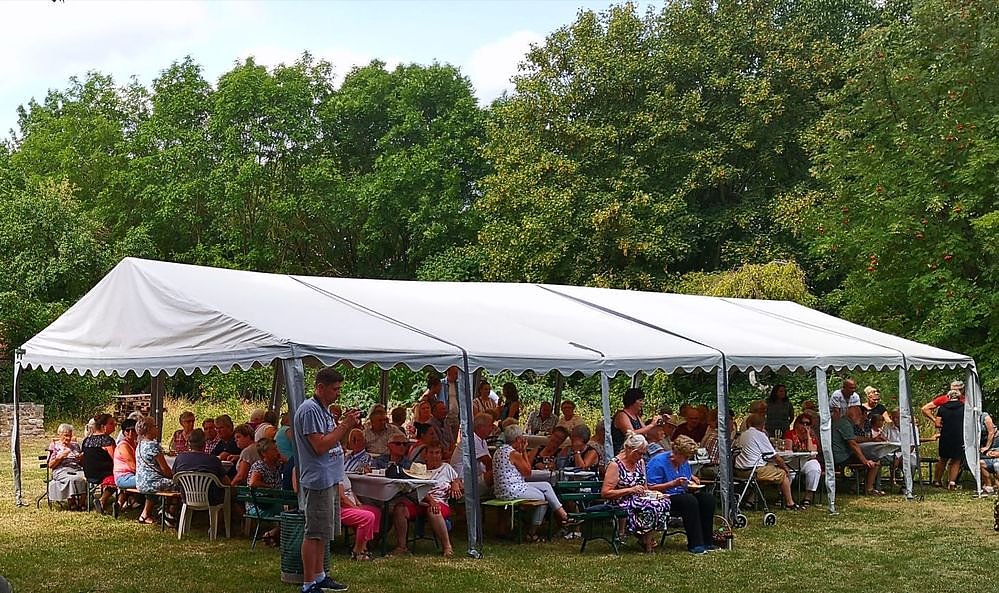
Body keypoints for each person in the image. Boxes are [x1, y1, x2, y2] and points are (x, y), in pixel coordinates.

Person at [293, 366, 359, 593]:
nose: (338, 393)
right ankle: (308, 583)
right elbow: (320, 446)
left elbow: (333, 440)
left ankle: (320, 575)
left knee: (323, 532)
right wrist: (345, 426)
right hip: (318, 480)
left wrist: (344, 426)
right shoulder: (309, 410)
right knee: (314, 532)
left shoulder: (324, 410)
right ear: (320, 387)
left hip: (330, 478)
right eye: (335, 389)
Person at [493, 425, 577, 542]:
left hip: (504, 488)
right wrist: (523, 451)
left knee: (546, 486)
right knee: (543, 498)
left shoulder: (499, 451)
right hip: (512, 490)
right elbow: (528, 472)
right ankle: (531, 533)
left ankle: (564, 516)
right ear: (518, 439)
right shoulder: (514, 454)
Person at [601, 432, 670, 553]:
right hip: (620, 500)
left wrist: (655, 495)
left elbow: (645, 486)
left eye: (643, 453)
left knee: (663, 502)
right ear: (628, 449)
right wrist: (630, 490)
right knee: (649, 506)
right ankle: (647, 542)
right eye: (639, 453)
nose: (641, 456)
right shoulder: (615, 465)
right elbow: (606, 493)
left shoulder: (640, 462)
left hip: (638, 498)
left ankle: (645, 537)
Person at [647, 435, 716, 554]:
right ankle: (696, 544)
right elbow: (650, 487)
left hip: (681, 493)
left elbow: (686, 480)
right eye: (685, 457)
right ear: (677, 453)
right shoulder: (658, 462)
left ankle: (707, 540)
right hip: (663, 497)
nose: (686, 460)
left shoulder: (684, 463)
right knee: (689, 501)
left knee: (707, 499)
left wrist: (692, 485)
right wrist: (672, 484)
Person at [391, 442, 463, 556]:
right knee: (399, 509)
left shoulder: (447, 468)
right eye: (431, 453)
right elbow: (416, 488)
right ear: (425, 455)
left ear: (441, 455)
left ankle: (447, 547)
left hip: (440, 502)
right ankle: (401, 546)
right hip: (421, 501)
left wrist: (455, 484)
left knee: (433, 510)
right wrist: (431, 501)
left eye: (437, 453)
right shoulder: (419, 469)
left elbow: (457, 480)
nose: (434, 456)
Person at [734, 413, 801, 509]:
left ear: (748, 423)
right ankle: (790, 503)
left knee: (766, 476)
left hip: (740, 471)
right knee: (783, 474)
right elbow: (775, 457)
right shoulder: (759, 435)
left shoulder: (743, 435)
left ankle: (750, 501)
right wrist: (785, 468)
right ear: (763, 425)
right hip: (754, 471)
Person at [174, 427, 230, 523]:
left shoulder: (180, 458)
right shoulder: (213, 460)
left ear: (189, 443)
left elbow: (174, 477)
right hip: (211, 499)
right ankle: (219, 525)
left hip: (186, 497)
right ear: (204, 444)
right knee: (227, 492)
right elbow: (226, 482)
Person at [829, 406, 880, 495]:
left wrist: (872, 439)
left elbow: (855, 438)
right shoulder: (845, 424)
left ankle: (854, 486)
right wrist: (865, 461)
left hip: (839, 454)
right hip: (840, 456)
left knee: (867, 459)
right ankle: (869, 488)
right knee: (875, 459)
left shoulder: (844, 422)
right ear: (852, 415)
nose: (861, 417)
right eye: (859, 414)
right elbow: (853, 444)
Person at [135, 416, 176, 525]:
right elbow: (165, 468)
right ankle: (168, 512)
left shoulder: (140, 444)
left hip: (140, 482)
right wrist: (175, 477)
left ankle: (144, 515)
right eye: (155, 426)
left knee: (161, 484)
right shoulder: (153, 445)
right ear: (149, 429)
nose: (157, 429)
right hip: (151, 483)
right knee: (178, 484)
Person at [247, 437, 284, 546]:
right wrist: (270, 487)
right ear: (264, 453)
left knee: (290, 511)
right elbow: (253, 483)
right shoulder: (259, 466)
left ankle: (272, 535)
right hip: (259, 506)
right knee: (289, 514)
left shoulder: (277, 466)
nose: (277, 451)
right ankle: (271, 534)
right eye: (274, 449)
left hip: (273, 503)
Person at [81, 413, 117, 513]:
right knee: (120, 478)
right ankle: (102, 500)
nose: (114, 426)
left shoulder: (87, 440)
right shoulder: (107, 440)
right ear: (103, 426)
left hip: (89, 473)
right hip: (105, 474)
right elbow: (116, 459)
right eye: (111, 424)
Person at [450, 413, 494, 495]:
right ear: (480, 427)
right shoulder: (472, 440)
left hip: (473, 478)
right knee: (494, 473)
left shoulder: (482, 440)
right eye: (490, 426)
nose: (492, 428)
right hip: (463, 482)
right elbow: (488, 462)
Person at [339, 475, 381, 561]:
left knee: (376, 512)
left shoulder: (342, 473)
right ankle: (357, 552)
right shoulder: (334, 475)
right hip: (341, 508)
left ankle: (365, 545)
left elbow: (350, 491)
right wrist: (356, 508)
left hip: (351, 504)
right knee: (367, 517)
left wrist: (358, 503)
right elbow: (342, 499)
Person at [46, 423, 87, 510]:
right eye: (66, 435)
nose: (68, 438)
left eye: (70, 436)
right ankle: (72, 502)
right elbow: (50, 465)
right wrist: (60, 457)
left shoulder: (75, 445)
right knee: (71, 479)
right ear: (59, 435)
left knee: (87, 477)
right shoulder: (54, 446)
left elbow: (81, 463)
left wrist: (80, 458)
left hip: (76, 469)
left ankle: (82, 502)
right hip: (61, 470)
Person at [611, 387, 662, 454]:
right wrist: (651, 425)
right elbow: (631, 434)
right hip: (624, 452)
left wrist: (657, 422)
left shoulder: (636, 416)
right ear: (632, 401)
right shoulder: (622, 415)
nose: (642, 403)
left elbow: (646, 432)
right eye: (640, 400)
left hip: (637, 451)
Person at [785, 414, 822, 506]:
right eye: (802, 423)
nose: (805, 426)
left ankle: (807, 497)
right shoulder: (790, 433)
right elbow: (788, 450)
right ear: (797, 423)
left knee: (814, 468)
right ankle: (784, 496)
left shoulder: (812, 436)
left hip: (806, 461)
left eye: (807, 424)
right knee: (787, 472)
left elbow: (812, 452)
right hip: (793, 461)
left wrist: (808, 435)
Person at [936, 389, 966, 490]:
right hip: (959, 436)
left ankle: (937, 480)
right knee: (956, 460)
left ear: (948, 397)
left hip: (945, 436)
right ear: (959, 397)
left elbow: (937, 423)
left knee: (943, 459)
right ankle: (952, 482)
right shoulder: (964, 408)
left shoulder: (942, 408)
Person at [112, 418, 139, 507]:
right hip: (123, 478)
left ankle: (119, 505)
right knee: (149, 481)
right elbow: (133, 466)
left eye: (133, 430)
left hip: (131, 476)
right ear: (123, 432)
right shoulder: (124, 446)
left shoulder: (135, 444)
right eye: (127, 430)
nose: (131, 432)